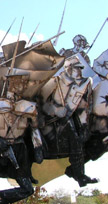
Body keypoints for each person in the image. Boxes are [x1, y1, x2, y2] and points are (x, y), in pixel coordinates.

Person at [0, 74, 42, 204]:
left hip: (19, 150)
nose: (22, 87)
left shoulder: (29, 106)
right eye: (19, 83)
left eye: (23, 84)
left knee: (28, 189)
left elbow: (34, 128)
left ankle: (2, 198)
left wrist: (38, 146)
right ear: (10, 85)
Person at [39, 55, 97, 187]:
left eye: (80, 68)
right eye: (77, 68)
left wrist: (84, 125)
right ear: (68, 68)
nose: (80, 71)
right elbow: (40, 100)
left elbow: (84, 106)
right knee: (73, 137)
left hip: (71, 117)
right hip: (51, 119)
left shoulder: (85, 83)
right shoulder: (55, 81)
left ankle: (78, 173)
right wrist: (54, 109)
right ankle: (79, 175)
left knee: (80, 139)